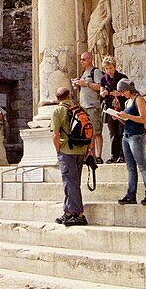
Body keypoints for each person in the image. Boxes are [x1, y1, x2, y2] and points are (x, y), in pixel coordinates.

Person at [108, 78, 146, 207]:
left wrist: (127, 116)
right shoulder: (127, 102)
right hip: (126, 136)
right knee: (130, 168)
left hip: (136, 136)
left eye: (123, 91)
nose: (122, 94)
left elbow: (142, 118)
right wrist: (119, 117)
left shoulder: (138, 99)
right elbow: (128, 121)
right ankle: (131, 194)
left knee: (142, 166)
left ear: (129, 90)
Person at [51, 86, 88, 228]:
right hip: (80, 150)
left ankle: (78, 214)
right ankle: (68, 212)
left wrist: (58, 150)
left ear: (57, 98)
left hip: (67, 150)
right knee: (73, 182)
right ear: (69, 95)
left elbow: (55, 135)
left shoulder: (58, 110)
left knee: (70, 182)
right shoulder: (79, 109)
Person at [72, 51, 104, 163]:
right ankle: (91, 154)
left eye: (83, 59)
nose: (81, 62)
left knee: (96, 131)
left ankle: (99, 155)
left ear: (90, 59)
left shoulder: (96, 72)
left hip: (93, 105)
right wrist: (77, 84)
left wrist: (86, 83)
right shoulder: (84, 73)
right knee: (87, 132)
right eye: (81, 59)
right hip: (83, 106)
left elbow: (100, 87)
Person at [99, 55, 126, 163]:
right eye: (106, 69)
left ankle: (122, 155)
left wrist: (119, 93)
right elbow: (101, 92)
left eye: (110, 68)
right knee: (113, 132)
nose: (109, 71)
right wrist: (104, 93)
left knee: (121, 131)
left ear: (114, 67)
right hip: (110, 107)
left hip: (121, 107)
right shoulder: (103, 79)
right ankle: (114, 155)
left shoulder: (122, 77)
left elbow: (127, 92)